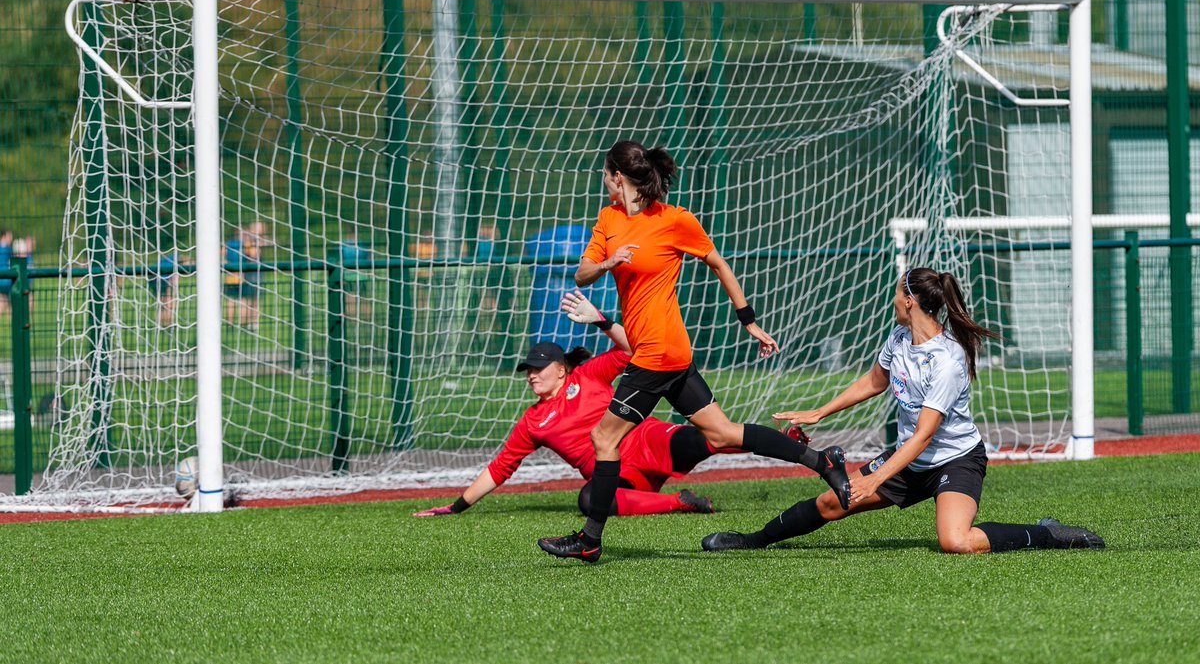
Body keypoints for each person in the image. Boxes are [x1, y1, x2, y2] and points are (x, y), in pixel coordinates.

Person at [538, 140, 850, 564]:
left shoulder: (674, 220)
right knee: (721, 433)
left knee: (602, 437)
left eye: (605, 174)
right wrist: (610, 262)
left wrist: (749, 321)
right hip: (667, 355)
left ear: (617, 176)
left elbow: (719, 264)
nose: (603, 181)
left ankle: (590, 539)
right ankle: (821, 460)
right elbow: (582, 273)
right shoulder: (608, 219)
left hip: (656, 354)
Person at [701, 267, 1105, 555]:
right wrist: (820, 412)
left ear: (909, 301)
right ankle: (751, 540)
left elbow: (924, 436)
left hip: (956, 460)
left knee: (956, 542)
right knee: (830, 503)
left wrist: (874, 478)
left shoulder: (948, 360)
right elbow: (875, 382)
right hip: (909, 460)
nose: (893, 300)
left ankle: (1048, 534)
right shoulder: (899, 337)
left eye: (897, 293)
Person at [414, 291, 736, 519]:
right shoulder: (533, 421)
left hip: (647, 442)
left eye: (539, 369)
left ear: (560, 369)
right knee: (589, 500)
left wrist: (602, 321)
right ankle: (679, 503)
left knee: (708, 438)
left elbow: (632, 348)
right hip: (615, 474)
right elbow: (500, 469)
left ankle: (780, 439)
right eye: (528, 371)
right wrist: (455, 507)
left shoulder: (588, 375)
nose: (532, 376)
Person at [148, 252, 181, 327]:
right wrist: (171, 286)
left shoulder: (165, 260)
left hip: (153, 279)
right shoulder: (176, 260)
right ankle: (168, 323)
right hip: (163, 279)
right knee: (169, 301)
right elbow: (173, 278)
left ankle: (160, 323)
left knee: (162, 302)